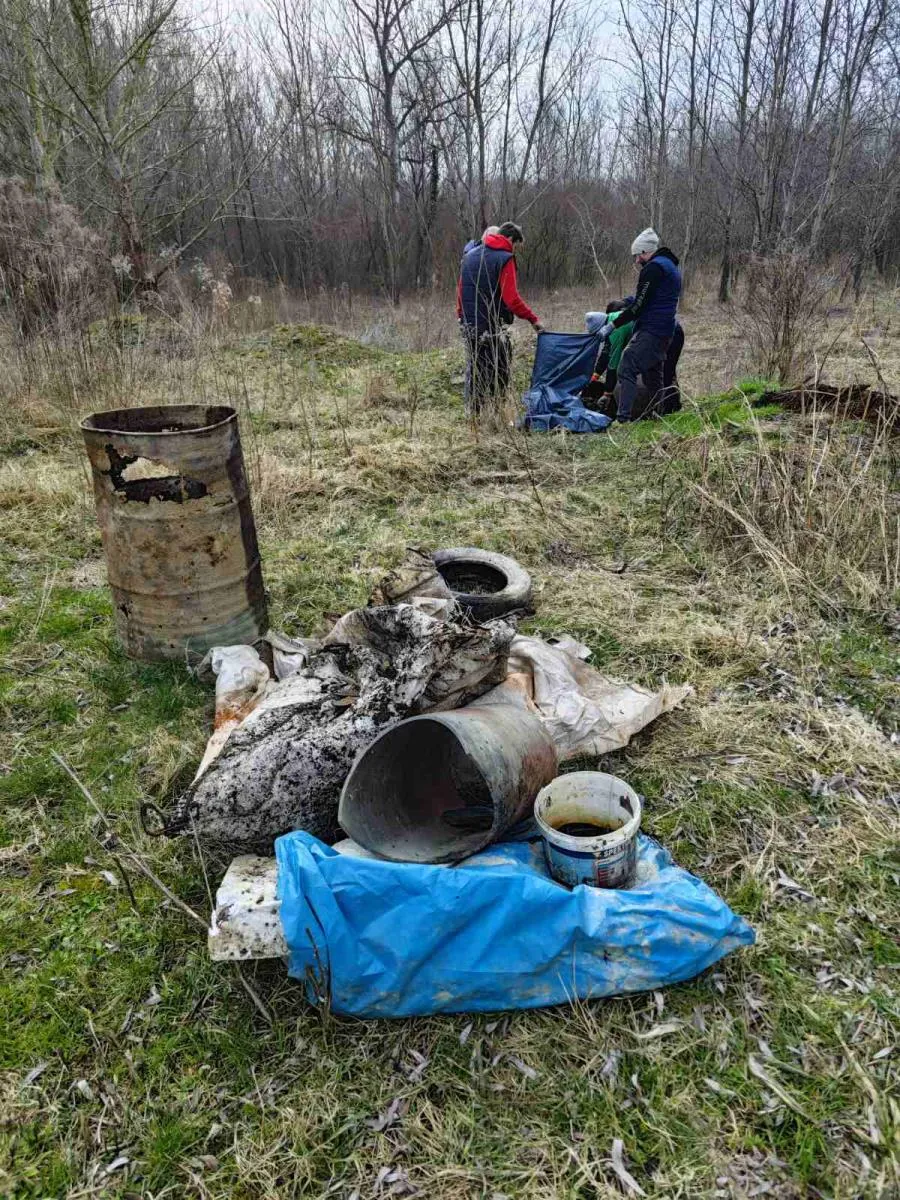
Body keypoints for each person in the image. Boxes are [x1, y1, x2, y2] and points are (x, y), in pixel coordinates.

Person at [456, 221, 543, 414]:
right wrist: (533, 319)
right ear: (510, 239)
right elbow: (511, 299)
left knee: (475, 367)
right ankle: (497, 412)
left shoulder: (469, 256)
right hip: (490, 325)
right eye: (516, 245)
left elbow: (460, 291)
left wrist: (461, 316)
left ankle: (474, 413)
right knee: (500, 367)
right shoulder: (505, 258)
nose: (515, 250)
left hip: (469, 324)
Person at [596, 228, 681, 422]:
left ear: (644, 252)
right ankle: (657, 416)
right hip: (667, 330)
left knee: (627, 366)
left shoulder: (653, 268)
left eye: (637, 256)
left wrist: (612, 325)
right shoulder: (669, 266)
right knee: (653, 375)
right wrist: (629, 300)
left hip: (652, 329)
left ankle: (623, 419)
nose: (636, 261)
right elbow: (654, 297)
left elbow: (639, 307)